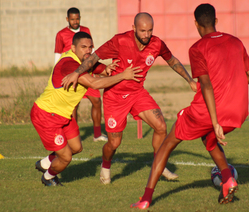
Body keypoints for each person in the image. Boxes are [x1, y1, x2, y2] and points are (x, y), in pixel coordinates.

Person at [130, 3, 249, 209]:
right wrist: (229, 84)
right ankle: (228, 178)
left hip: (207, 112)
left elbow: (206, 85)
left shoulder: (198, 48)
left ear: (196, 24)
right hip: (238, 110)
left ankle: (145, 199)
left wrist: (215, 122)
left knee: (166, 146)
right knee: (208, 139)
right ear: (215, 21)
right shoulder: (236, 42)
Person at [61, 12, 197, 184]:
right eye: (142, 31)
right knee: (114, 143)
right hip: (115, 96)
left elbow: (173, 61)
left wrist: (189, 80)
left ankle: (159, 165)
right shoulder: (120, 41)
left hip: (137, 93)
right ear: (133, 28)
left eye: (150, 30)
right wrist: (76, 72)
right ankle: (106, 165)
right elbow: (94, 58)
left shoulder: (157, 44)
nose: (147, 35)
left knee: (161, 126)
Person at [31, 32, 142, 186]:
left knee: (76, 147)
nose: (88, 51)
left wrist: (109, 69)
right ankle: (48, 177)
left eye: (90, 47)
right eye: (83, 47)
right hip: (46, 115)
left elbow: (103, 70)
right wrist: (123, 75)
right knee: (66, 157)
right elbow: (95, 84)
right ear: (73, 48)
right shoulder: (68, 64)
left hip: (63, 115)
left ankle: (44, 163)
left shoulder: (86, 62)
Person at [55, 7, 107, 142]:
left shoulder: (86, 30)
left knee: (96, 101)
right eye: (72, 19)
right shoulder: (61, 34)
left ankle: (97, 134)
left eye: (77, 18)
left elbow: (92, 51)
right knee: (73, 105)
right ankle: (74, 135)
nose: (75, 21)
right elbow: (58, 55)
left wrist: (96, 68)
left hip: (87, 72)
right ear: (67, 19)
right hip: (72, 74)